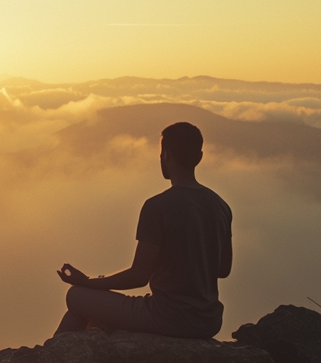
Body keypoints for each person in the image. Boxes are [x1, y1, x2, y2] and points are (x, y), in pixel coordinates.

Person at [54, 122, 232, 339]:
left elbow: (138, 276)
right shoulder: (221, 206)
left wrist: (89, 282)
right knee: (98, 313)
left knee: (76, 296)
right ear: (199, 157)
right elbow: (223, 269)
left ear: (166, 155)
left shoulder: (157, 206)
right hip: (209, 321)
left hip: (166, 316)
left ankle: (53, 355)